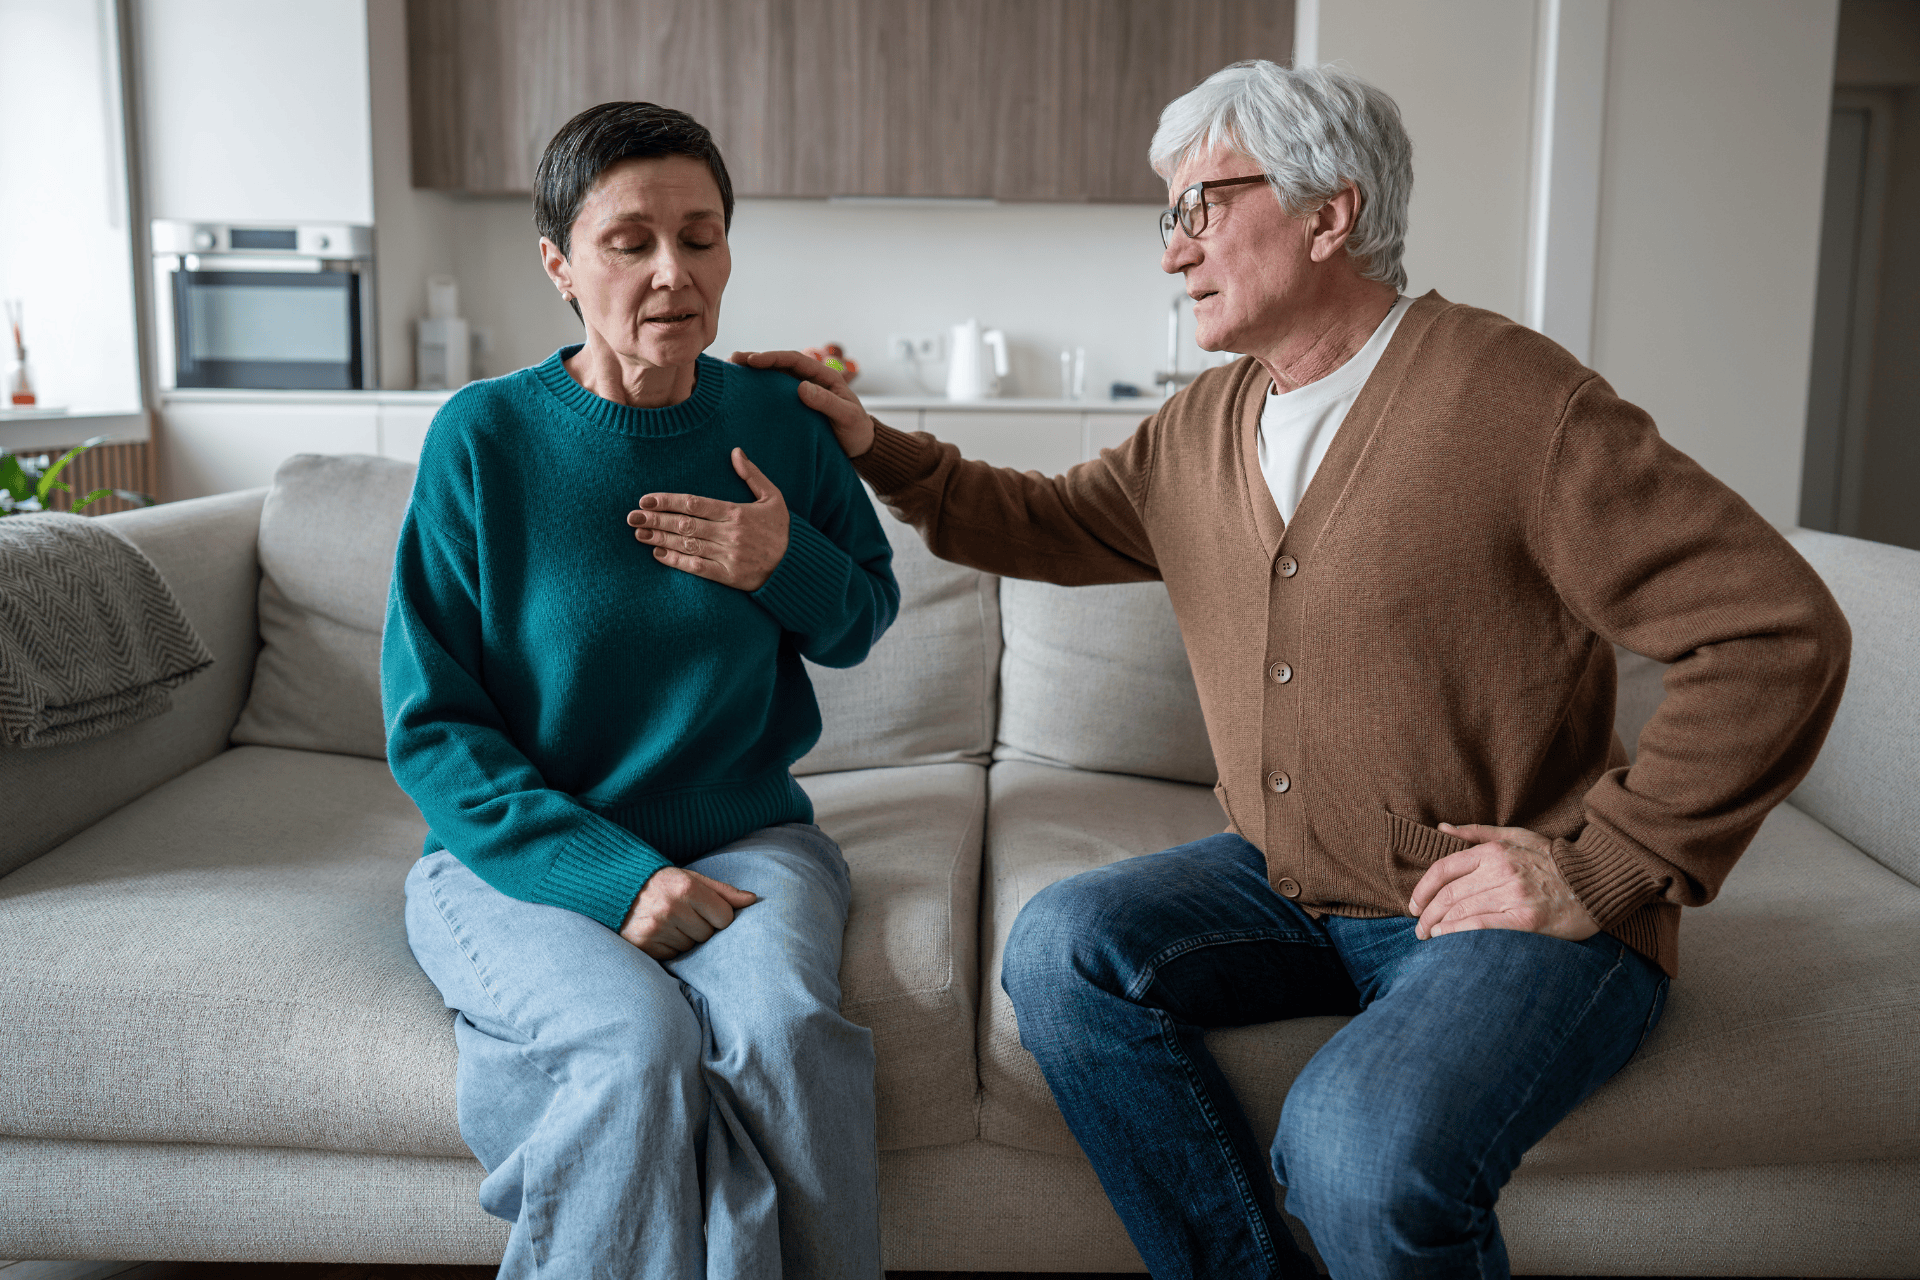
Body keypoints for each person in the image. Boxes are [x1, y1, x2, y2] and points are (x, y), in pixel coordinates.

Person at [735, 60, 1851, 1280]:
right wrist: (875, 445)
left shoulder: (1516, 400)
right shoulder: (1203, 425)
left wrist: (1606, 868)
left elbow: (1774, 630)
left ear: (1333, 213)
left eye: (1201, 208)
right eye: (1172, 218)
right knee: (1062, 948)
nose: (1174, 253)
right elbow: (1040, 520)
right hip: (1294, 879)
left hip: (1497, 905)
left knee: (1353, 1146)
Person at [383, 101, 898, 1279]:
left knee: (783, 1031)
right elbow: (434, 727)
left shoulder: (778, 417)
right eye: (631, 241)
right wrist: (621, 880)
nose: (675, 272)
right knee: (633, 1048)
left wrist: (786, 565)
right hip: (516, 856)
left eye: (702, 236)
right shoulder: (484, 437)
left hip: (751, 838)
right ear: (561, 264)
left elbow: (864, 617)